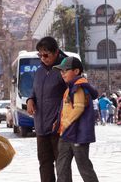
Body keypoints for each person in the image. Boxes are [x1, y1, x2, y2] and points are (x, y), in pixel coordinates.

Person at [26, 36, 68, 182]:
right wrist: (30, 99)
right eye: (40, 55)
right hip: (41, 127)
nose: (43, 58)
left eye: (46, 55)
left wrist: (61, 118)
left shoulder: (63, 71)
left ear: (56, 52)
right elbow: (34, 92)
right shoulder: (39, 72)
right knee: (44, 163)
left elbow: (71, 95)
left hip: (58, 127)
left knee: (62, 165)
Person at [53, 56, 99, 182]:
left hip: (78, 134)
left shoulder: (78, 87)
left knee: (84, 167)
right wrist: (60, 123)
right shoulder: (70, 88)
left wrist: (66, 123)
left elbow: (79, 108)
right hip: (67, 134)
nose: (62, 74)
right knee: (61, 166)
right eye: (61, 71)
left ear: (76, 71)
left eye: (65, 70)